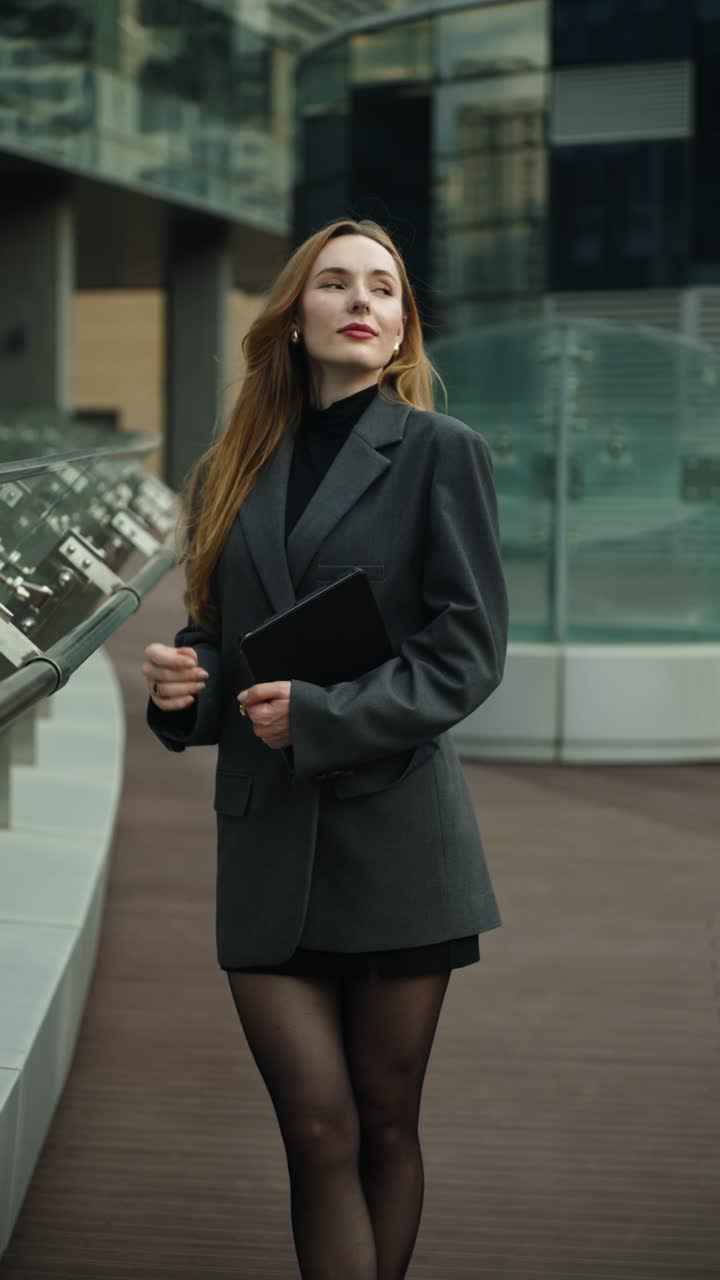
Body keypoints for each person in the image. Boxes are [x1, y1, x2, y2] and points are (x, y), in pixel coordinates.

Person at [142, 217, 508, 1280]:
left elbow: (468, 651)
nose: (362, 300)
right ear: (295, 318)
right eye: (336, 283)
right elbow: (219, 634)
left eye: (384, 289)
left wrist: (325, 714)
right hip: (266, 847)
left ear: (401, 327)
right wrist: (184, 687)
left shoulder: (445, 453)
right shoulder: (227, 467)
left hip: (399, 836)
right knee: (317, 1130)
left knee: (386, 1123)